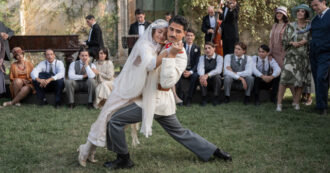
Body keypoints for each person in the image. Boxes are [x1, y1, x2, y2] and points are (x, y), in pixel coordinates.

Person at [103, 15, 231, 170]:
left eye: (178, 32)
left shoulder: (181, 55)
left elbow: (167, 83)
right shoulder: (162, 44)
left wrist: (170, 56)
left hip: (155, 100)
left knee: (115, 120)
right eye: (171, 29)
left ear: (184, 34)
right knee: (181, 132)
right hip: (156, 100)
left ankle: (124, 159)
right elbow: (147, 61)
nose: (172, 34)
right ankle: (215, 151)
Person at [77, 19, 170, 167]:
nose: (161, 36)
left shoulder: (158, 46)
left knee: (116, 120)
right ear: (152, 31)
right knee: (106, 114)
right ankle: (87, 148)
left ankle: (92, 148)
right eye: (159, 32)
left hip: (139, 91)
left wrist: (165, 49)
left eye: (164, 33)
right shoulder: (144, 45)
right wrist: (168, 52)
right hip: (126, 87)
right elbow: (151, 64)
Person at [276, 4, 312, 112]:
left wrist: (307, 41)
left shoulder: (309, 26)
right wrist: (292, 43)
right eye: (298, 11)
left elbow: (314, 39)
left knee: (300, 81)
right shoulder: (290, 25)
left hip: (303, 57)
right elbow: (284, 40)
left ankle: (296, 102)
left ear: (306, 14)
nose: (299, 13)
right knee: (284, 80)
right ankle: (279, 104)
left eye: (302, 11)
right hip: (291, 56)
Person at [310, 0, 330, 115]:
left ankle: (322, 107)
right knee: (318, 78)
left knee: (321, 77)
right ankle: (320, 104)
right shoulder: (315, 19)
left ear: (324, 2)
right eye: (312, 6)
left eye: (316, 5)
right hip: (314, 52)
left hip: (326, 52)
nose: (314, 8)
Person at [176, 28, 201, 106]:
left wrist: (190, 72)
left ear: (194, 37)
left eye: (191, 36)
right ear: (185, 36)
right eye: (188, 35)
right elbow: (177, 59)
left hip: (192, 70)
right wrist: (182, 70)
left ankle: (189, 98)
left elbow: (197, 63)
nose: (189, 37)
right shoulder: (180, 45)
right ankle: (180, 98)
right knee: (177, 75)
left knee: (195, 76)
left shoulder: (197, 48)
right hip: (181, 69)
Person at [197, 42, 223, 106]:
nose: (207, 50)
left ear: (214, 48)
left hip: (215, 80)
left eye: (209, 48)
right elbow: (200, 68)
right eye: (205, 48)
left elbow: (218, 70)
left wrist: (207, 75)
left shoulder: (219, 57)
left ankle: (216, 97)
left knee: (217, 77)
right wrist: (203, 77)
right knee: (201, 77)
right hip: (206, 81)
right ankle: (204, 98)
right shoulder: (202, 58)